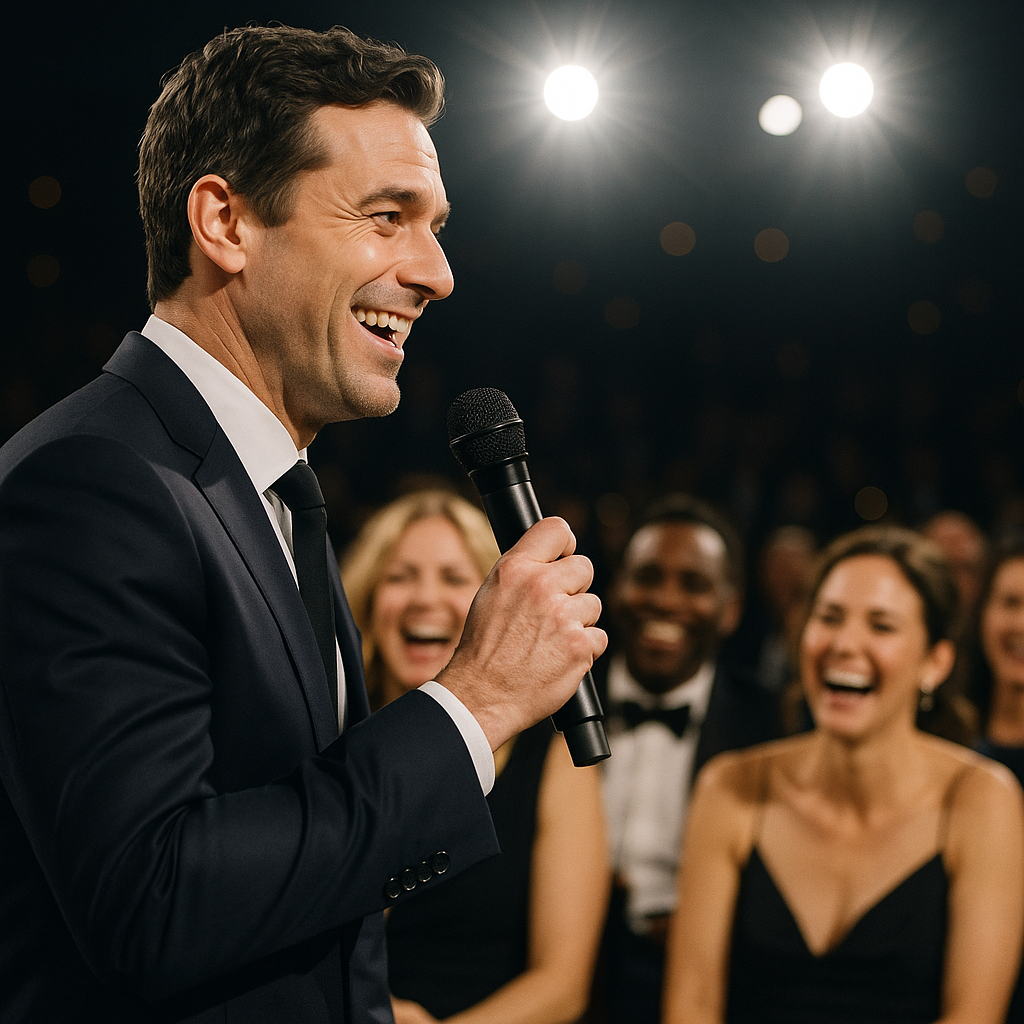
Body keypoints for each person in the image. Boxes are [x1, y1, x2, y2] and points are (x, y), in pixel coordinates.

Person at [0, 26, 607, 1024]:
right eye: (385, 217)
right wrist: (475, 704)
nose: (436, 272)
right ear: (225, 222)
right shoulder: (94, 481)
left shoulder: (266, 489)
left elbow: (316, 903)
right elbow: (153, 900)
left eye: (434, 223)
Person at [662, 526, 1024, 1024]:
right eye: (828, 617)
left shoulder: (983, 799)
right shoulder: (729, 787)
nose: (844, 643)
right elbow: (691, 1007)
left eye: (881, 625)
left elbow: (972, 1016)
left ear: (935, 663)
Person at [340, 489, 610, 1023]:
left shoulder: (552, 761)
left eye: (455, 578)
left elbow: (562, 984)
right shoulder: (333, 737)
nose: (425, 598)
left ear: (498, 606)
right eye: (400, 577)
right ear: (369, 599)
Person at [592, 495, 783, 1024]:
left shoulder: (771, 727)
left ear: (732, 609)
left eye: (694, 585)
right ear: (617, 588)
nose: (667, 600)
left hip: (720, 979)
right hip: (563, 964)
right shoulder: (552, 703)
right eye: (648, 576)